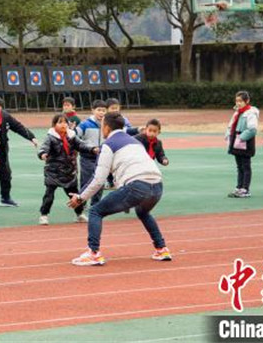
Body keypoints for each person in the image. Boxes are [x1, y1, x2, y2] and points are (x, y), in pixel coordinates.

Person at [68, 112, 171, 266]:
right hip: (157, 185)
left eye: (102, 125)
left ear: (107, 127)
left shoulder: (108, 145)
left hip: (137, 185)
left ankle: (93, 253)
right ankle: (162, 249)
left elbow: (98, 179)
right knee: (143, 212)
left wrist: (81, 197)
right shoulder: (135, 141)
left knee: (95, 211)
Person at [38, 114, 98, 225]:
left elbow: (81, 145)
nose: (63, 125)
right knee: (49, 195)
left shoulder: (72, 136)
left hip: (69, 171)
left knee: (74, 195)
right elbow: (44, 147)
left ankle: (79, 214)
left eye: (65, 122)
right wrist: (43, 154)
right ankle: (44, 215)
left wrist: (92, 149)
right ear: (54, 125)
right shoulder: (50, 137)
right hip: (53, 171)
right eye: (60, 122)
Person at [0, 95, 38, 207]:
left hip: (2, 151)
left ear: (0, 107)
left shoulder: (5, 116)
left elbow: (18, 127)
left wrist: (31, 137)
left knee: (6, 175)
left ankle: (5, 198)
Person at [226, 91, 259, 198]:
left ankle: (245, 188)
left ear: (247, 101)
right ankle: (239, 187)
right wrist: (229, 136)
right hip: (236, 143)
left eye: (241, 101)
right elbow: (231, 126)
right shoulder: (237, 113)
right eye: (237, 101)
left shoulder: (250, 113)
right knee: (239, 166)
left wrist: (241, 138)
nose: (238, 103)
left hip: (245, 143)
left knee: (246, 166)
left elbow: (252, 129)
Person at [75, 100, 107, 206]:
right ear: (92, 110)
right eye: (99, 110)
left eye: (103, 110)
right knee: (87, 181)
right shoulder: (85, 124)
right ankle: (81, 204)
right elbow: (75, 136)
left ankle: (95, 205)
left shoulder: (107, 125)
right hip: (87, 157)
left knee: (100, 181)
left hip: (102, 158)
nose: (101, 113)